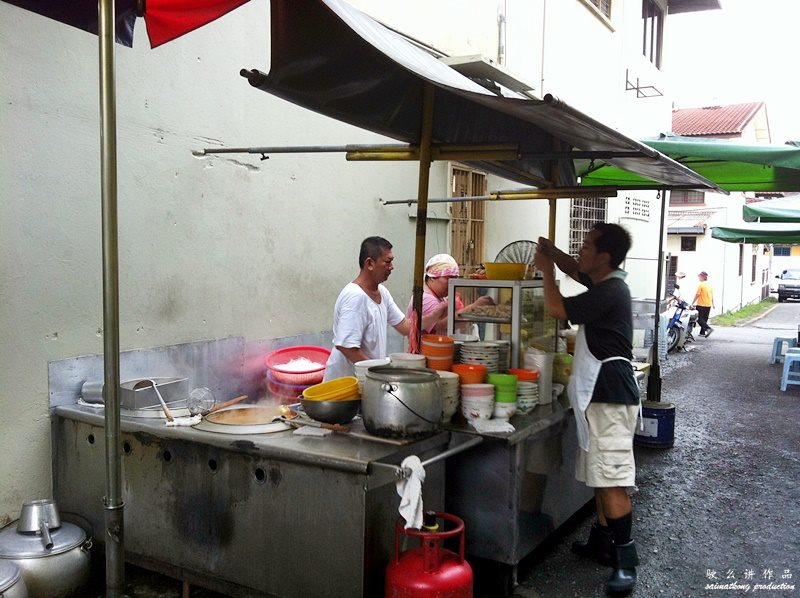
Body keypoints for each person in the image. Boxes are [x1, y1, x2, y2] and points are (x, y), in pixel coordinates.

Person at [534, 223, 641, 594]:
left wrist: (543, 270)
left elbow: (555, 307)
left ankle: (626, 561)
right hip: (598, 397)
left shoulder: (610, 291)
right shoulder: (603, 283)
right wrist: (552, 253)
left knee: (611, 480)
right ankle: (602, 541)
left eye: (586, 246)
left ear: (605, 257)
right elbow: (573, 269)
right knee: (600, 475)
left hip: (610, 398)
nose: (580, 250)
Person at [323, 236, 412, 381]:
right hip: (346, 385)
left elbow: (404, 326)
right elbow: (347, 347)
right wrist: (377, 373)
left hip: (366, 381)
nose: (392, 267)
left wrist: (436, 315)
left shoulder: (382, 292)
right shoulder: (355, 297)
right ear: (370, 263)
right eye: (387, 262)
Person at [405, 253, 494, 335]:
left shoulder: (436, 296)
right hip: (429, 351)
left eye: (455, 279)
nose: (452, 283)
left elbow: (456, 324)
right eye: (448, 279)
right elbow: (442, 325)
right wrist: (473, 308)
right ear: (433, 277)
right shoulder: (426, 299)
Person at [692, 271, 714, 337]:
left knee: (698, 319)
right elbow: (712, 295)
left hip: (701, 304)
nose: (699, 278)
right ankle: (702, 332)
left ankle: (708, 329)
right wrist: (713, 303)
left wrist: (692, 302)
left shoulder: (701, 285)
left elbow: (697, 294)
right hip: (708, 304)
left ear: (703, 277)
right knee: (704, 319)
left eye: (699, 276)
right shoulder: (709, 285)